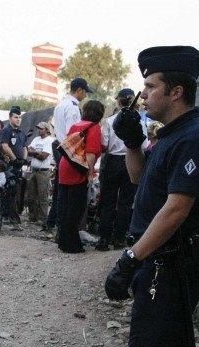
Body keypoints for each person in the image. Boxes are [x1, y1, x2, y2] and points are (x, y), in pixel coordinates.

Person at [104, 46, 199, 347]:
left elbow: (176, 209)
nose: (143, 96)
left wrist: (130, 258)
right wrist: (133, 144)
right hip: (158, 264)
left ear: (175, 92)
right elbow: (140, 180)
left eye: (150, 86)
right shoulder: (170, 135)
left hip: (169, 265)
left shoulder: (195, 138)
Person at [96, 89, 147, 251]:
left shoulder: (110, 121)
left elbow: (104, 144)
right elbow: (144, 145)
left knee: (108, 201)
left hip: (112, 162)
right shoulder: (139, 121)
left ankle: (103, 239)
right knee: (126, 202)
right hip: (131, 160)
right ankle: (119, 239)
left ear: (118, 102)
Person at [56, 100, 104, 253]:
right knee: (76, 207)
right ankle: (72, 244)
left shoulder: (75, 126)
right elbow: (90, 153)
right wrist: (90, 173)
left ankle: (62, 240)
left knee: (64, 205)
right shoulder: (94, 127)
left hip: (65, 166)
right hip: (78, 170)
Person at [50, 77, 92, 234]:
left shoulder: (60, 105)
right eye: (85, 92)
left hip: (60, 149)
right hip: (69, 152)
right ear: (79, 90)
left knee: (61, 193)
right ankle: (68, 231)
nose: (85, 96)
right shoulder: (73, 108)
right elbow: (73, 133)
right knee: (72, 195)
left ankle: (60, 228)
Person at [0, 106, 27, 227]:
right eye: (16, 117)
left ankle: (12, 216)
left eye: (20, 117)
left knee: (16, 192)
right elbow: (5, 146)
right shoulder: (6, 130)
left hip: (18, 166)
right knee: (8, 189)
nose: (18, 119)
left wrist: (23, 160)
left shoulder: (21, 132)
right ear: (10, 117)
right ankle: (5, 216)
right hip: (9, 165)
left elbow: (25, 147)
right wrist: (14, 159)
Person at [24, 121, 54, 227]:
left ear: (46, 129)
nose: (39, 130)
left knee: (42, 195)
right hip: (33, 169)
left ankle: (42, 218)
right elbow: (28, 150)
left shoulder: (50, 140)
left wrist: (34, 152)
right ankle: (32, 216)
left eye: (41, 128)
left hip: (43, 170)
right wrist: (36, 152)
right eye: (39, 128)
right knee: (31, 195)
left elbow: (44, 156)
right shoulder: (36, 139)